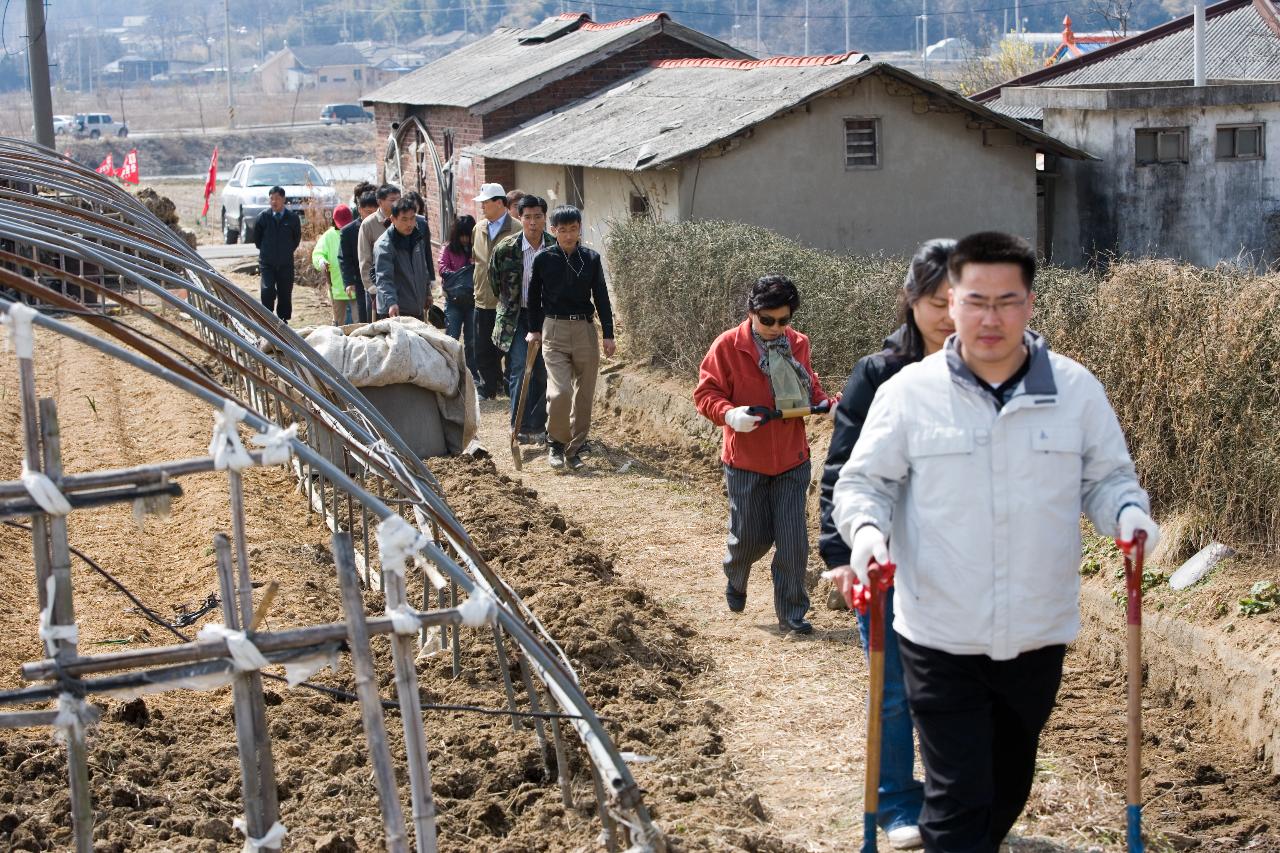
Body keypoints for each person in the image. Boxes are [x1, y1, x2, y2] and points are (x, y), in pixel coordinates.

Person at [831, 231, 1160, 853]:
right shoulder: (910, 393)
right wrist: (866, 534)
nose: (990, 317)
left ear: (1030, 304)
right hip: (938, 632)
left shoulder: (1075, 390)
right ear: (950, 302)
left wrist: (1127, 516)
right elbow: (862, 484)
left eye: (1007, 301)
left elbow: (1109, 479)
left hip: (1039, 629)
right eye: (976, 300)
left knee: (1007, 786)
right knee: (958, 797)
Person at [818, 239, 957, 851]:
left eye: (963, 301)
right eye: (937, 301)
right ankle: (899, 803)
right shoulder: (878, 374)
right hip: (887, 556)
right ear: (911, 301)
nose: (951, 315)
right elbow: (841, 469)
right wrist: (839, 555)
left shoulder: (992, 373)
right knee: (895, 689)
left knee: (957, 691)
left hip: (960, 561)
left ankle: (955, 801)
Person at [693, 274, 832, 635]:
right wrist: (729, 414)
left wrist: (824, 403)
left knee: (792, 540)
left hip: (791, 458)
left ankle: (792, 612)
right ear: (752, 312)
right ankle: (735, 573)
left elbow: (808, 386)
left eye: (783, 321)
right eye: (767, 320)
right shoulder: (727, 346)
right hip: (746, 462)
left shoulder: (799, 343)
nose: (775, 328)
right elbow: (705, 394)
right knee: (749, 537)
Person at [526, 205, 615, 471]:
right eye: (562, 230)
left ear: (579, 229)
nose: (567, 235)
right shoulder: (543, 259)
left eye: (573, 229)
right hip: (554, 330)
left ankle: (574, 450)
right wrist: (534, 329)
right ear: (553, 231)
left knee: (584, 394)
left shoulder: (591, 258)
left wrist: (608, 334)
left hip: (585, 330)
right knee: (561, 391)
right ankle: (555, 443)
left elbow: (601, 296)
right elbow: (532, 298)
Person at [492, 194, 555, 443]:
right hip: (517, 316)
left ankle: (537, 425)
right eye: (527, 217)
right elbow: (495, 283)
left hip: (547, 316)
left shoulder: (554, 247)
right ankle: (517, 425)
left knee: (542, 370)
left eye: (537, 217)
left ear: (544, 218)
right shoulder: (506, 249)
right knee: (520, 367)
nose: (532, 222)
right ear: (519, 218)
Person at [471, 183, 519, 399]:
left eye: (486, 202)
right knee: (482, 346)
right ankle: (487, 387)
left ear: (499, 203)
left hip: (508, 300)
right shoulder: (478, 228)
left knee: (509, 346)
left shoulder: (517, 229)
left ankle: (510, 388)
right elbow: (478, 262)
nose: (482, 207)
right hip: (482, 298)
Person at [373, 197, 436, 321]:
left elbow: (423, 268)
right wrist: (391, 302)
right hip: (394, 310)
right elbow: (384, 278)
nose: (410, 224)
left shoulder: (417, 238)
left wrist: (427, 293)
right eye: (404, 219)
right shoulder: (384, 245)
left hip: (416, 307)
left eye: (412, 218)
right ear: (393, 220)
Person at [252, 186, 301, 323]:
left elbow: (296, 239)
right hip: (267, 262)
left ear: (283, 199)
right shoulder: (263, 217)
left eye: (277, 198)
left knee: (285, 292)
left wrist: (286, 251)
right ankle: (267, 319)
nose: (274, 202)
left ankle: (283, 320)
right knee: (267, 290)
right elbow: (257, 240)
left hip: (285, 262)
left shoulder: (292, 218)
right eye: (272, 198)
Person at [440, 214, 479, 381]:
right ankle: (450, 372)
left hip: (472, 301)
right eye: (462, 235)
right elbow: (442, 267)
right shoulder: (448, 248)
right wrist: (456, 274)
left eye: (468, 235)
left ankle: (471, 374)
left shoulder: (477, 248)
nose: (465, 239)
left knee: (472, 340)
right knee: (452, 337)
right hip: (453, 301)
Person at [359, 183, 401, 321]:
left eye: (398, 199)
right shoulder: (368, 224)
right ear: (380, 202)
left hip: (401, 285)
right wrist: (371, 287)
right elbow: (365, 258)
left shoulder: (403, 221)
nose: (396, 203)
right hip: (378, 287)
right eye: (392, 200)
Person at [313, 204, 357, 326]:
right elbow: (317, 254)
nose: (343, 227)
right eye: (340, 224)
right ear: (334, 221)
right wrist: (321, 261)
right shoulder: (328, 236)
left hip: (356, 288)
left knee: (358, 323)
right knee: (338, 324)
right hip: (336, 289)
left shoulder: (356, 231)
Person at [339, 191, 377, 323]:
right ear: (360, 210)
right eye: (368, 211)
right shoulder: (348, 232)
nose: (371, 215)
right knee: (364, 316)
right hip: (360, 279)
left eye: (375, 211)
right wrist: (348, 282)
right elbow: (345, 259)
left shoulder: (384, 226)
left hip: (380, 278)